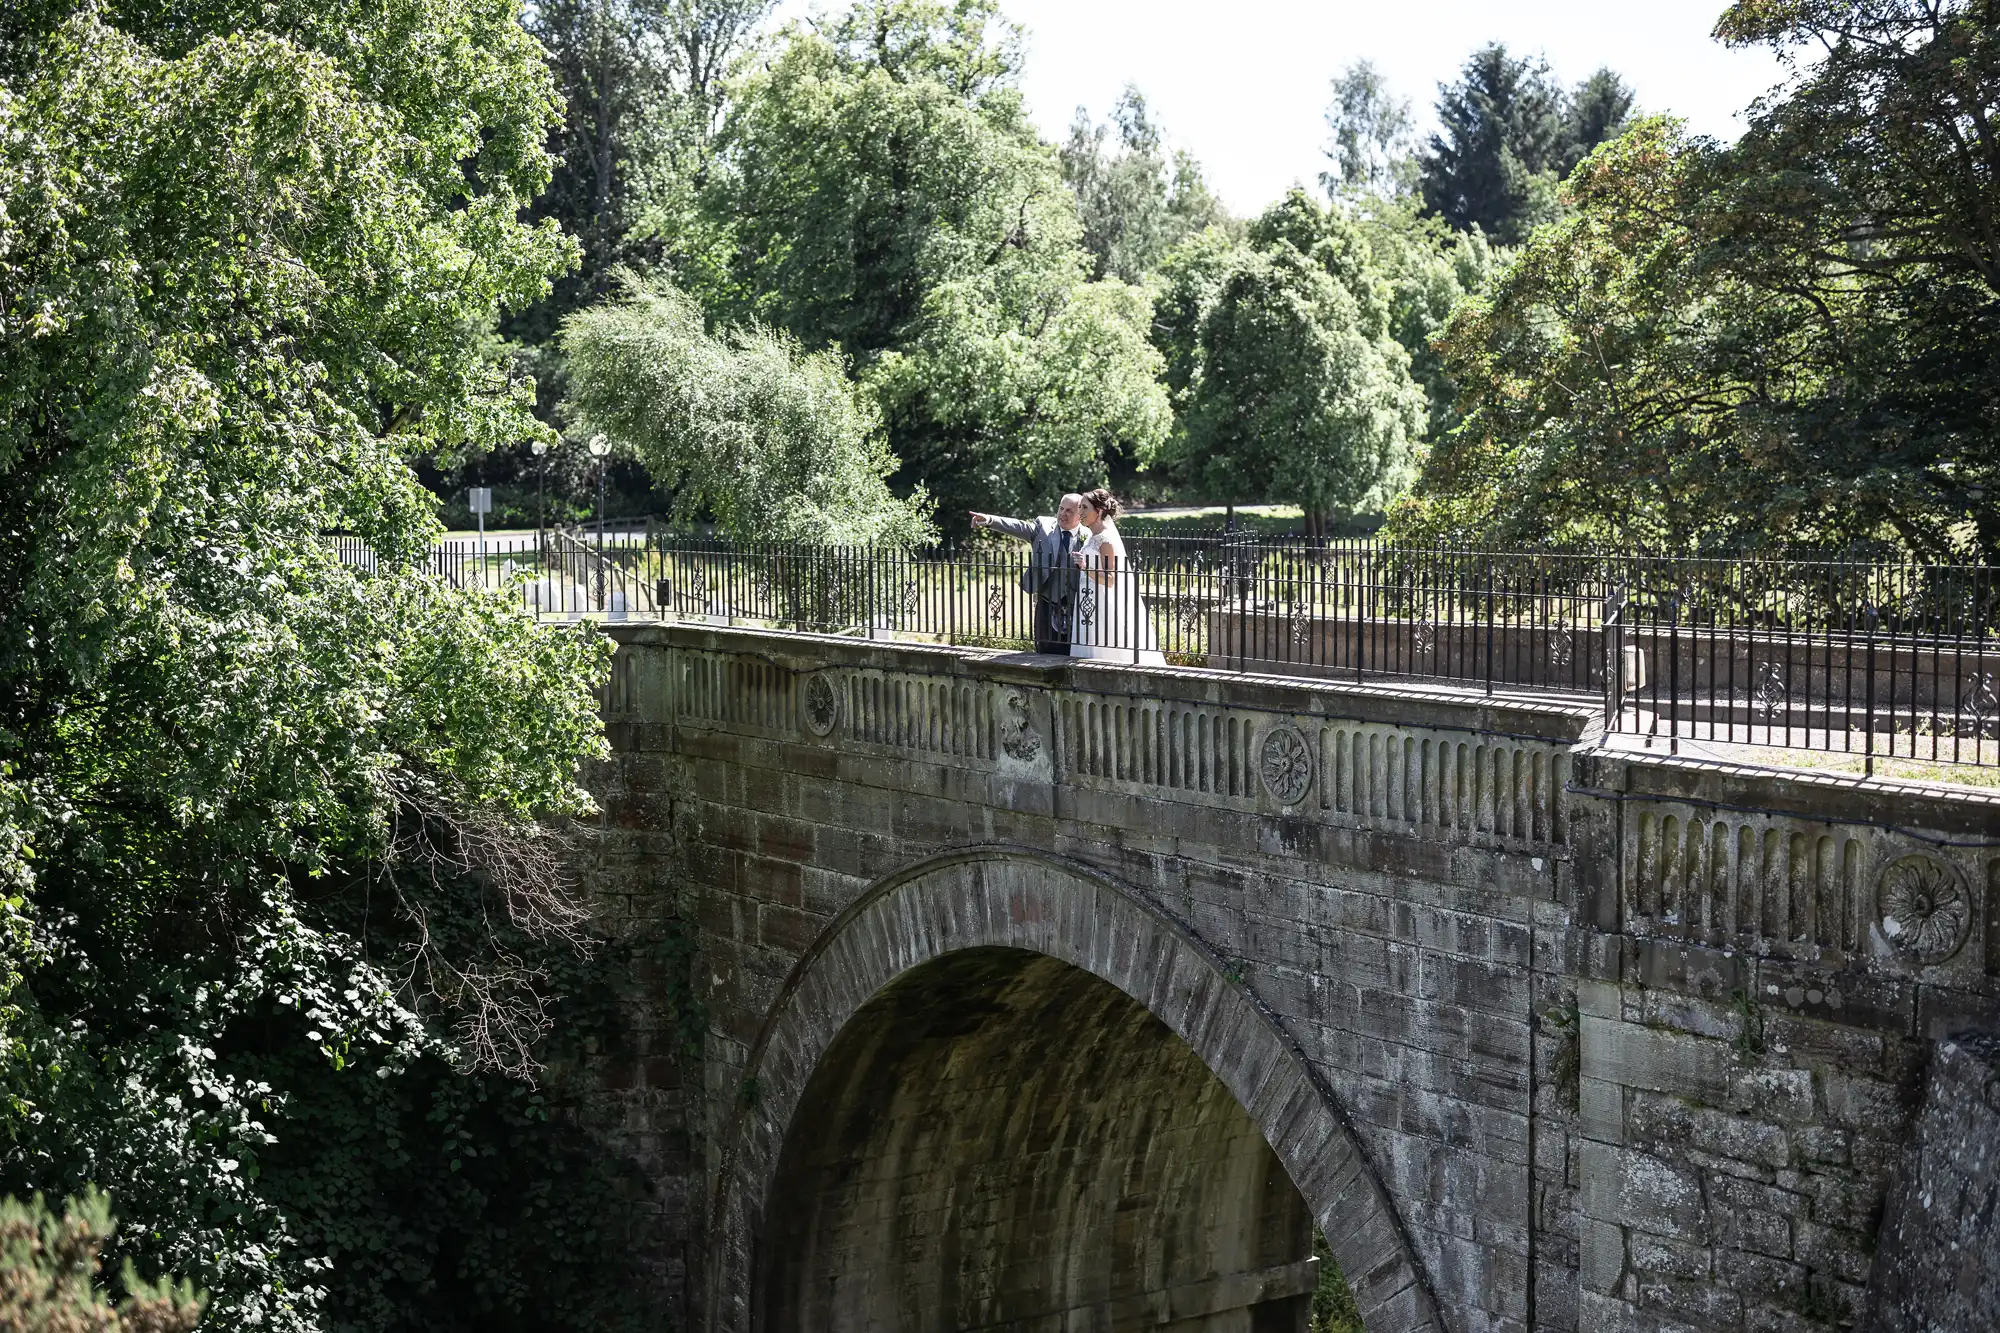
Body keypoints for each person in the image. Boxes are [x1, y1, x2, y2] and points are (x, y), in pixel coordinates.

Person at [969, 494, 1084, 655]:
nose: (1063, 514)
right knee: (1045, 649)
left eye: (1069, 511)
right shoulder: (1043, 527)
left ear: (1080, 515)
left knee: (1075, 651)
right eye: (1061, 508)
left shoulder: (1088, 535)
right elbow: (1018, 526)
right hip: (1047, 601)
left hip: (1079, 604)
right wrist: (989, 520)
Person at [1070, 488, 1165, 666]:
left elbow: (1110, 579)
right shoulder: (1092, 537)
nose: (1079, 512)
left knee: (1102, 644)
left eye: (1084, 507)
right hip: (1087, 599)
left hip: (1101, 602)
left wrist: (1084, 567)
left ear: (1098, 512)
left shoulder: (1105, 540)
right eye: (1080, 507)